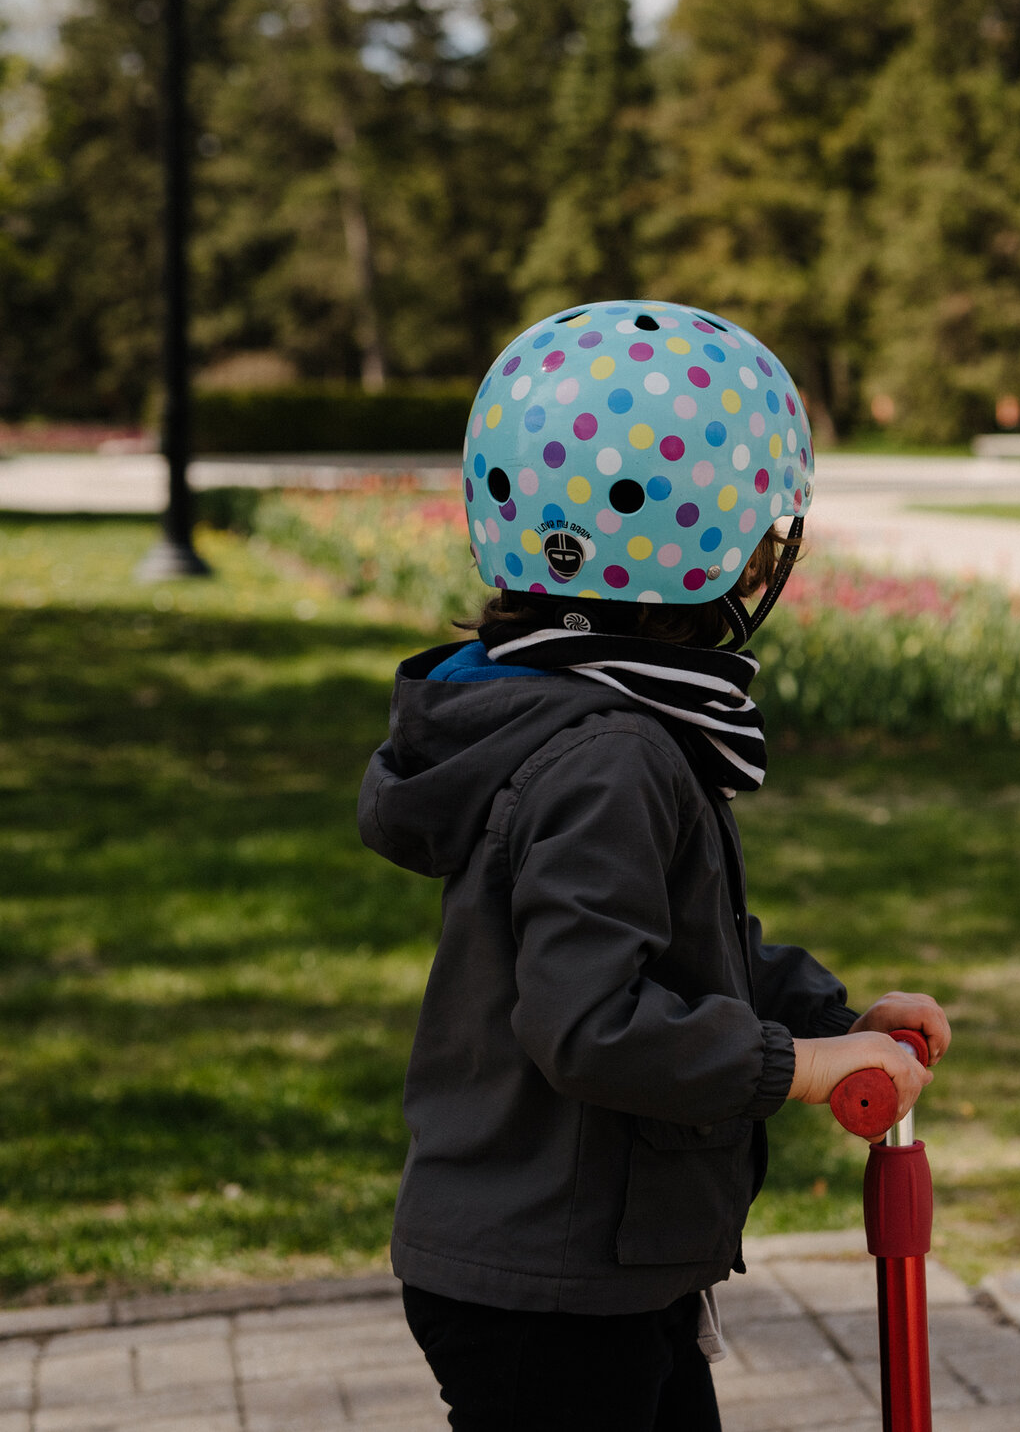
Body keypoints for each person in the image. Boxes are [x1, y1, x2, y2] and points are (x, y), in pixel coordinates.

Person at [359, 300, 948, 1431]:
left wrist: (831, 1018)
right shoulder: (614, 756)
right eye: (770, 529)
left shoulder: (577, 717)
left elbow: (685, 948)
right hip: (557, 1279)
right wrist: (800, 1069)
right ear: (703, 544)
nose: (778, 550)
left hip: (582, 1256)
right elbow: (593, 1023)